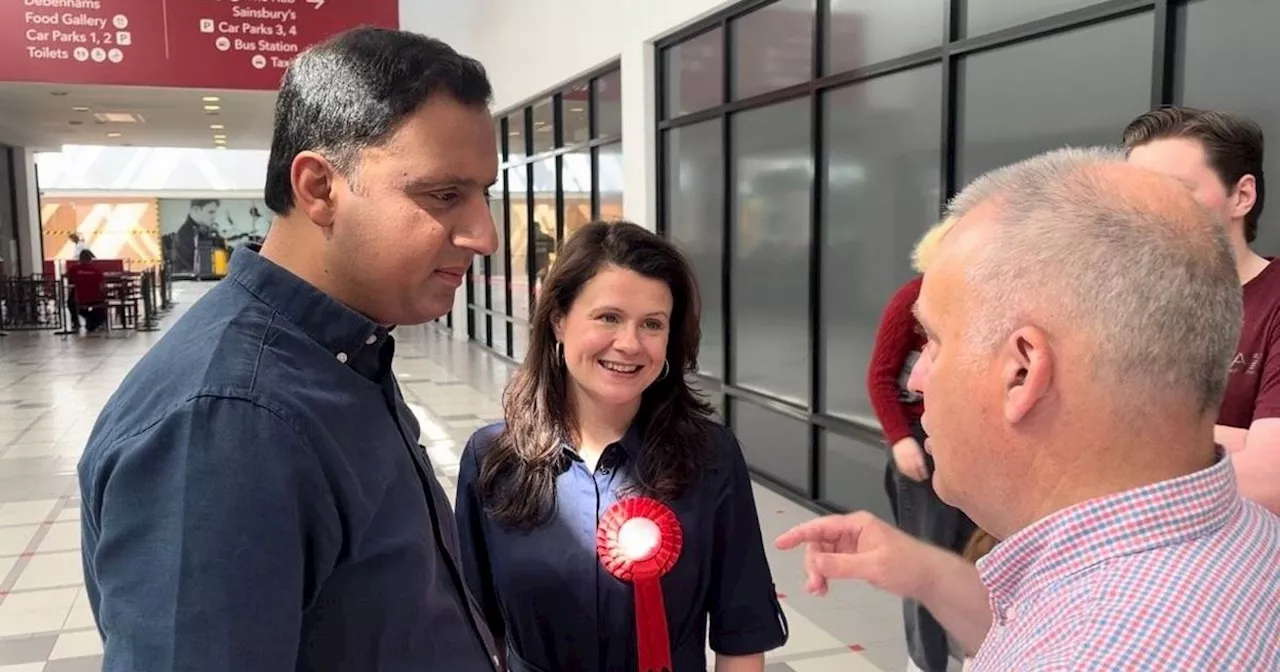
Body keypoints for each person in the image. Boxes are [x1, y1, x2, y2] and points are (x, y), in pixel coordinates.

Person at [78, 28, 502, 671]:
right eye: (445, 195)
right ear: (319, 188)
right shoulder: (228, 423)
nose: (483, 234)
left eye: (483, 195)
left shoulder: (340, 352)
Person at [776, 147, 1280, 670]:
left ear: (1023, 370)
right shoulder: (1245, 542)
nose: (919, 377)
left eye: (935, 342)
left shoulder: (1097, 653)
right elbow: (1039, 624)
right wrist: (919, 568)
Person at [454, 221, 788, 672]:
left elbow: (742, 632)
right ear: (558, 320)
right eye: (608, 317)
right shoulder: (492, 458)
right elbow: (472, 628)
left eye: (652, 324)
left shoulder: (711, 456)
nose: (629, 344)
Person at [1123, 106, 1280, 513]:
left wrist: (1127, 437)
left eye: (1174, 191)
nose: (1148, 211)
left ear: (1242, 196)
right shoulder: (1123, 303)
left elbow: (1269, 481)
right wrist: (1236, 439)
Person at [866, 216, 974, 672]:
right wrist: (900, 440)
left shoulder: (983, 304)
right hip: (919, 448)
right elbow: (881, 377)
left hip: (969, 448)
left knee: (973, 560)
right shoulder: (913, 299)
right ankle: (923, 663)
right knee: (927, 561)